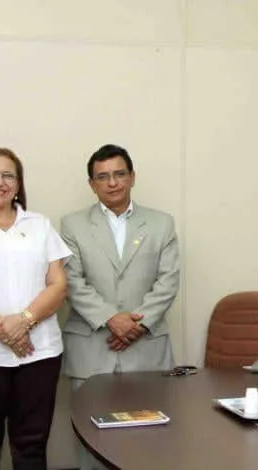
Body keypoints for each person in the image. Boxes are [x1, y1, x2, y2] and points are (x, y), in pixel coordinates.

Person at [61, 144, 181, 469]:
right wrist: (111, 319)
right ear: (92, 184)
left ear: (132, 177)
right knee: (92, 441)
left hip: (147, 350)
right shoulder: (72, 225)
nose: (112, 182)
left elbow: (168, 281)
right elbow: (72, 281)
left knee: (149, 441)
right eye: (103, 177)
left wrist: (137, 325)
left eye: (119, 174)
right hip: (92, 349)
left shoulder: (161, 224)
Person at [0, 148, 71, 470]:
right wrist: (2, 327)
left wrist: (24, 320)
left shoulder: (39, 224)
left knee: (31, 447)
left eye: (8, 175)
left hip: (40, 354)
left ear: (18, 184)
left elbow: (58, 285)